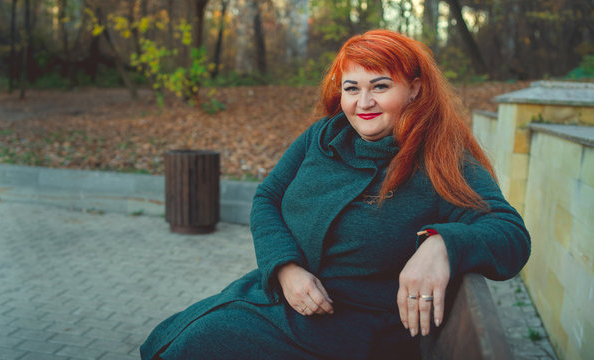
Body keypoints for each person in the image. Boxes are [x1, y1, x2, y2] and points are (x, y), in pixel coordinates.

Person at [141, 29, 530, 360]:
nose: (363, 103)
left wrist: (442, 244)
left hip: (345, 333)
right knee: (169, 341)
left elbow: (510, 233)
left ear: (414, 89)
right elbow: (267, 199)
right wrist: (284, 268)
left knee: (189, 348)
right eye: (352, 88)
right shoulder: (323, 136)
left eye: (380, 86)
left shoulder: (442, 158)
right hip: (278, 296)